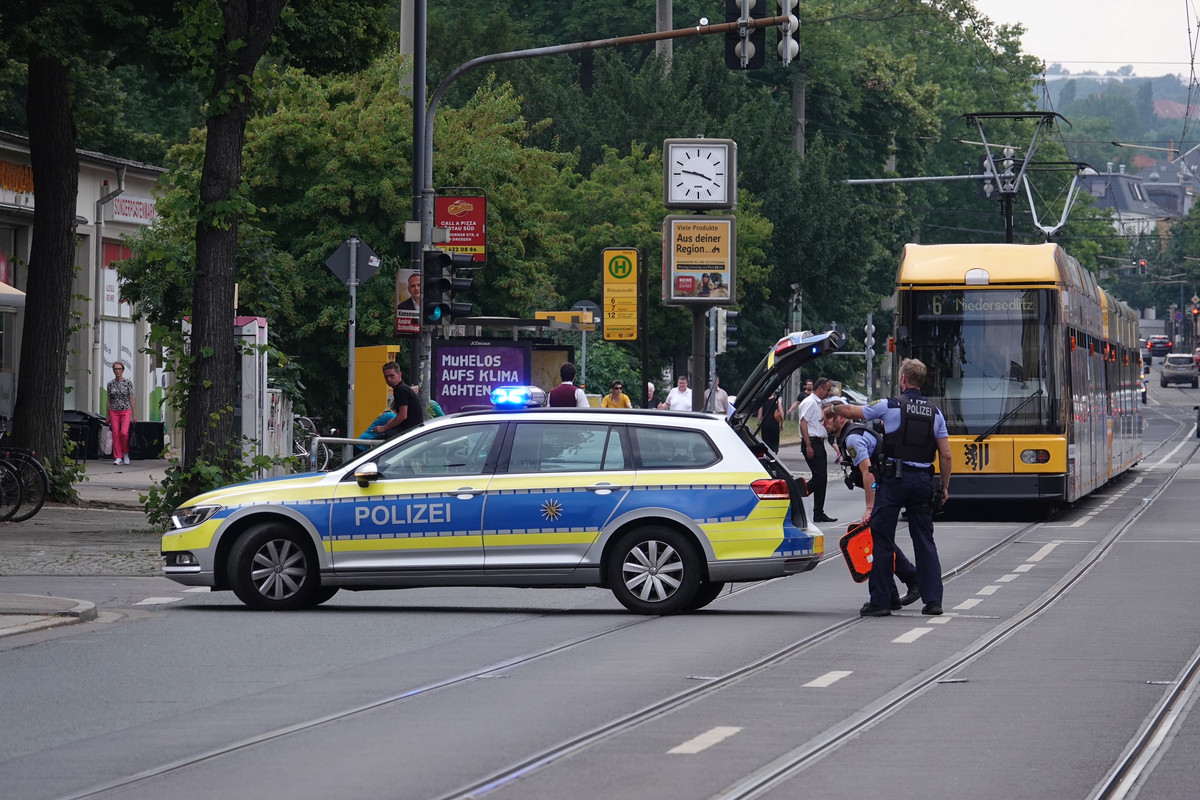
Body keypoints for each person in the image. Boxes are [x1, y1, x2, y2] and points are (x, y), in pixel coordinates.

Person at [831, 358, 952, 617]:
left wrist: (833, 408)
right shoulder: (936, 413)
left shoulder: (890, 405)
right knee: (924, 540)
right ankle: (933, 601)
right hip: (922, 482)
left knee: (882, 537)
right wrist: (944, 486)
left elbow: (852, 412)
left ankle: (882, 601)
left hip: (895, 480)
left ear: (903, 379)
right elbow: (946, 455)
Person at [822, 402, 921, 610]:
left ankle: (910, 581)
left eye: (827, 418)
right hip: (887, 486)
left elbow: (868, 473)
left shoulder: (852, 438)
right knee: (880, 539)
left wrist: (869, 507)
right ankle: (893, 593)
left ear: (841, 418)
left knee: (880, 539)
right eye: (822, 419)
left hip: (887, 487)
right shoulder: (846, 436)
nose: (824, 423)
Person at [796, 377, 836, 523]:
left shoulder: (818, 403)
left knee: (822, 478)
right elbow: (803, 424)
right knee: (819, 478)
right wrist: (808, 445)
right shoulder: (810, 402)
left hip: (819, 442)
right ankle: (797, 496)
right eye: (827, 389)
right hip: (812, 442)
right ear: (820, 388)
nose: (829, 392)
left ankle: (819, 512)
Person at [373, 362, 424, 438]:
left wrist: (383, 428)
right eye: (386, 376)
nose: (388, 379)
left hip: (409, 431)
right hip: (413, 430)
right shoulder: (403, 388)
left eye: (391, 375)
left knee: (377, 442)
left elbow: (402, 416)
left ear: (399, 374)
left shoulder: (401, 390)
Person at [106, 361, 135, 465]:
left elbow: (131, 398)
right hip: (114, 410)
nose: (117, 371)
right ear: (113, 370)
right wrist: (107, 415)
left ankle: (125, 452)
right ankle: (118, 456)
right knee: (115, 433)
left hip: (125, 410)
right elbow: (109, 400)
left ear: (122, 370)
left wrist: (134, 414)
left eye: (119, 369)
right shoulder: (110, 383)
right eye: (115, 369)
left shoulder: (128, 382)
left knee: (124, 433)